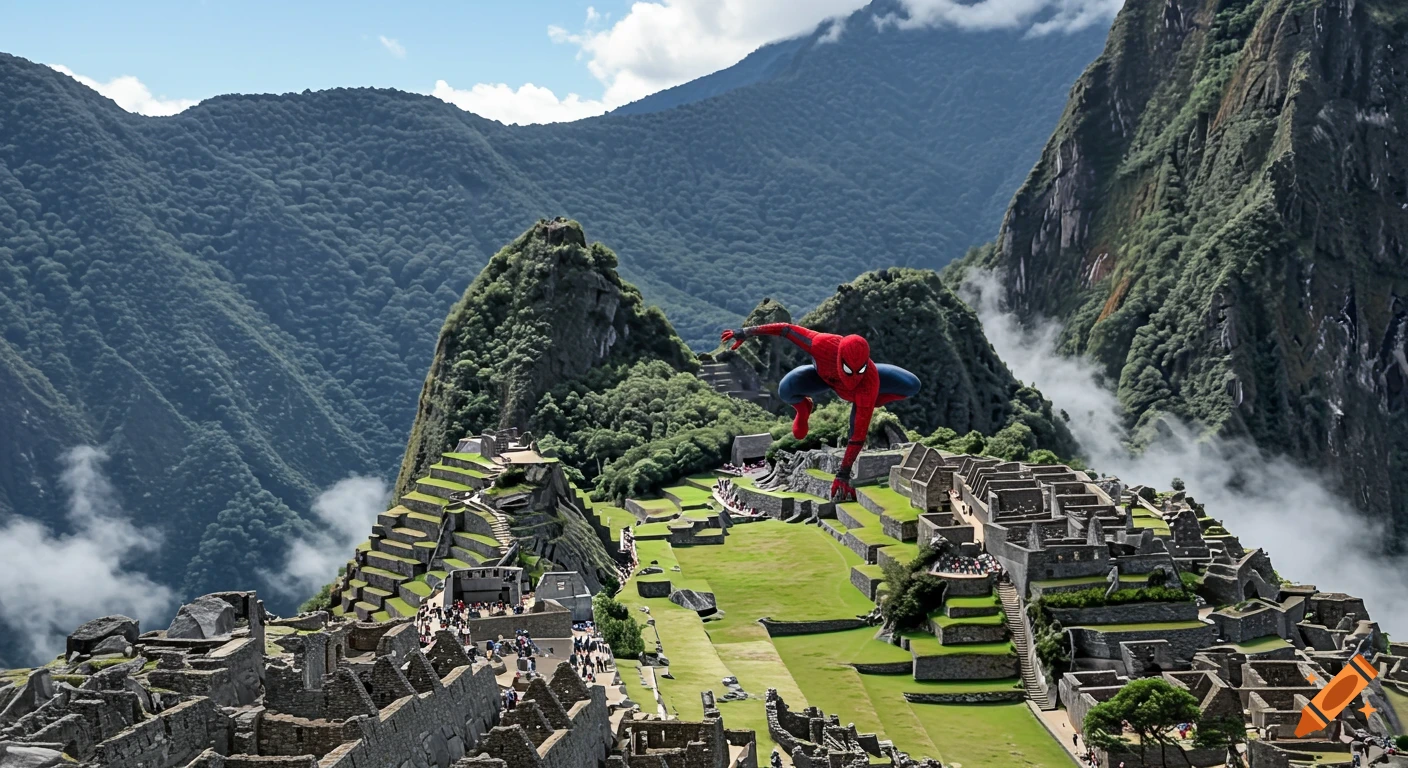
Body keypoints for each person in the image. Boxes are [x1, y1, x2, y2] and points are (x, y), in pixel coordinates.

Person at [722, 323, 920, 500]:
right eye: (849, 370)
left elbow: (858, 436)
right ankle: (803, 408)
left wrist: (843, 474)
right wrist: (746, 332)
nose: (853, 377)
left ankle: (874, 401)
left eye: (859, 370)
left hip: (860, 395)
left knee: (911, 385)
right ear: (839, 357)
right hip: (822, 378)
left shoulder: (867, 382)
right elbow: (786, 329)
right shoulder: (822, 345)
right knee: (786, 389)